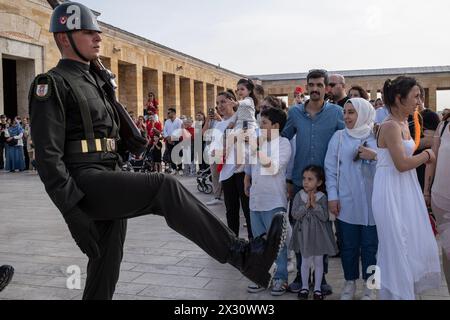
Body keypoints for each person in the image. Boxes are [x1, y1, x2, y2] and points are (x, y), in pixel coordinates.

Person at [28, 2, 287, 300]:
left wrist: (115, 104)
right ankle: (241, 255)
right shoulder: (51, 83)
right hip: (84, 181)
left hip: (109, 175)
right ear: (64, 38)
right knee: (164, 187)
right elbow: (47, 158)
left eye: (97, 31)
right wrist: (72, 212)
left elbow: (125, 140)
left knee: (106, 263)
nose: (98, 38)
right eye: (87, 32)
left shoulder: (96, 83)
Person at [373, 76, 441, 300]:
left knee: (408, 240)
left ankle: (406, 292)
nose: (419, 101)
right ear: (399, 99)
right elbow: (402, 163)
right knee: (395, 244)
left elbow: (406, 150)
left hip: (404, 188)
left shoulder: (404, 123)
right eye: (415, 96)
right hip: (390, 190)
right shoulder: (391, 126)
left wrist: (431, 142)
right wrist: (427, 155)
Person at [282, 69, 344, 295]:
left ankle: (321, 277)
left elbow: (345, 142)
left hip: (326, 184)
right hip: (300, 181)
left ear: (326, 87)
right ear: (306, 87)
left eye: (319, 84)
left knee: (323, 230)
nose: (315, 89)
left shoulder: (337, 113)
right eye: (312, 85)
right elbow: (283, 139)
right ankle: (301, 276)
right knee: (299, 230)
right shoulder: (295, 112)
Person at [324, 98, 378, 300]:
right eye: (345, 112)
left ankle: (371, 286)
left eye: (351, 112)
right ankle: (349, 283)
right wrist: (333, 196)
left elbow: (389, 164)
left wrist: (374, 155)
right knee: (348, 246)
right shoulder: (338, 137)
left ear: (363, 114)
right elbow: (330, 169)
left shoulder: (376, 136)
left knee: (372, 247)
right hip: (347, 202)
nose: (346, 117)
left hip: (373, 204)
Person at [244, 107, 291, 296]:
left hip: (273, 201)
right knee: (258, 242)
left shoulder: (284, 143)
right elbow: (249, 163)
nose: (260, 126)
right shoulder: (259, 142)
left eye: (263, 123)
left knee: (277, 242)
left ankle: (280, 277)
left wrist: (255, 148)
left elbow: (273, 168)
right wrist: (246, 178)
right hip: (256, 200)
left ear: (276, 126)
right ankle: (261, 276)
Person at [291, 166, 337, 300]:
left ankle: (317, 289)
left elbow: (324, 216)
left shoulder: (322, 197)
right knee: (305, 262)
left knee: (318, 262)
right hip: (304, 235)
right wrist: (306, 206)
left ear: (319, 182)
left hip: (319, 236)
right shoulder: (299, 196)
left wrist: (314, 205)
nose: (305, 182)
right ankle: (305, 287)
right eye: (304, 179)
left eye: (310, 179)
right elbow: (294, 214)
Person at [425, 111, 450, 294]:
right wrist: (426, 191)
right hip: (442, 200)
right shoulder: (444, 126)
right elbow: (432, 160)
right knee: (448, 252)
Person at [163, 108, 183, 174]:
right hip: (169, 140)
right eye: (167, 113)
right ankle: (174, 168)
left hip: (177, 140)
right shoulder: (167, 122)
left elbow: (179, 131)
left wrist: (172, 138)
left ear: (173, 113)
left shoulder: (179, 121)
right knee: (171, 154)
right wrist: (168, 138)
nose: (168, 114)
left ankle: (180, 168)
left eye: (169, 113)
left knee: (178, 154)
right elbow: (164, 131)